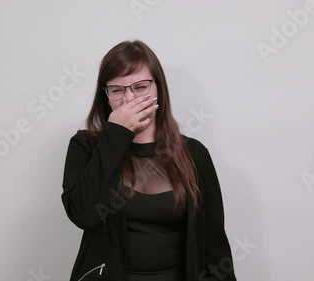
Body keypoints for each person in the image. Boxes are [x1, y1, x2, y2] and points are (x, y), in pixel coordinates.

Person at [61, 40, 237, 281]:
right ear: (106, 97)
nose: (129, 99)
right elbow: (84, 215)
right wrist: (116, 134)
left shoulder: (194, 153)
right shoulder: (86, 147)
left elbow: (214, 244)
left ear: (158, 89)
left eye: (140, 87)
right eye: (117, 90)